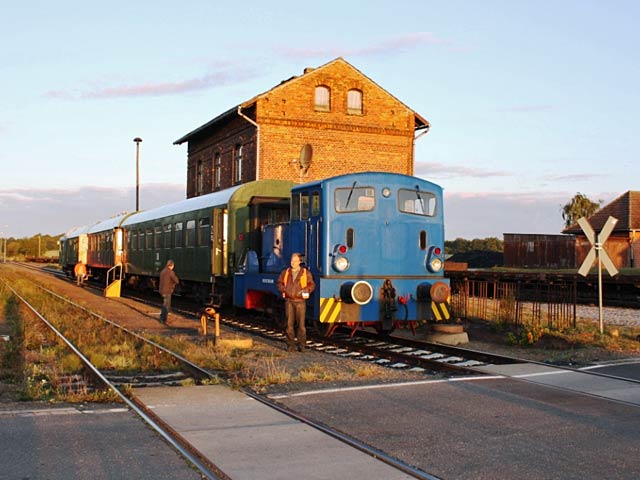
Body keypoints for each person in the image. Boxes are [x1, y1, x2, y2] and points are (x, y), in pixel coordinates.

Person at [277, 253, 315, 352]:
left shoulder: (305, 273)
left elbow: (311, 284)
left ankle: (302, 345)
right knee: (289, 325)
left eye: (295, 261)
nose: (293, 263)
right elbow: (279, 283)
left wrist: (306, 290)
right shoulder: (285, 272)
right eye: (291, 261)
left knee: (301, 325)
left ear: (299, 262)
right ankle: (290, 345)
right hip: (289, 301)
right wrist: (284, 289)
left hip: (300, 302)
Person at [158, 259, 179, 324]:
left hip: (162, 290)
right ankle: (163, 319)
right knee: (166, 306)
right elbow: (176, 281)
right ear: (171, 265)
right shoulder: (170, 272)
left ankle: (163, 319)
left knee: (165, 304)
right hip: (167, 291)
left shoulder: (162, 271)